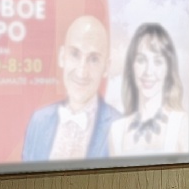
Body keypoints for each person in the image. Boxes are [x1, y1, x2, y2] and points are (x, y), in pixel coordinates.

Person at [22, 15, 120, 161]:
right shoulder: (38, 121)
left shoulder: (120, 128)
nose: (81, 72)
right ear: (62, 57)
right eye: (75, 54)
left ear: (106, 67)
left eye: (93, 59)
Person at [108, 23, 189, 157]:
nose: (148, 71)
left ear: (168, 69)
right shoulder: (116, 130)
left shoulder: (182, 125)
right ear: (131, 67)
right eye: (141, 60)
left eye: (157, 61)